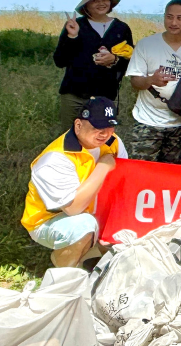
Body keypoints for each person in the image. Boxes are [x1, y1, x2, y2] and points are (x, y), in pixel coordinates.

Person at [22, 96, 126, 268]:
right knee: (83, 225)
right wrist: (102, 167)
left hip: (95, 209)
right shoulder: (55, 158)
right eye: (97, 127)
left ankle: (92, 260)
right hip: (50, 219)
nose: (104, 133)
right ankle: (65, 275)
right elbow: (73, 208)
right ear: (78, 125)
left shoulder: (113, 141)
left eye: (110, 127)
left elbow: (123, 180)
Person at [54, 0, 134, 131]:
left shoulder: (121, 29)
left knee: (102, 138)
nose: (101, 4)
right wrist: (72, 37)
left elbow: (131, 62)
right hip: (74, 95)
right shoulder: (75, 25)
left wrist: (115, 60)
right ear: (86, 5)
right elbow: (59, 60)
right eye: (94, 0)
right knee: (70, 136)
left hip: (106, 96)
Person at [127, 0, 181, 164]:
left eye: (180, 18)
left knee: (173, 177)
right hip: (148, 121)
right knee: (142, 171)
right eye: (169, 17)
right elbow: (135, 82)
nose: (173, 22)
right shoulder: (147, 44)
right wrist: (151, 80)